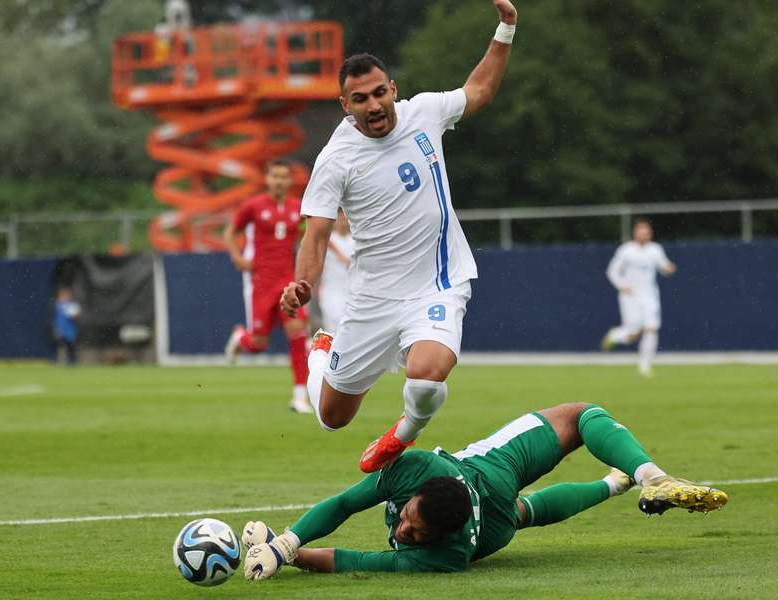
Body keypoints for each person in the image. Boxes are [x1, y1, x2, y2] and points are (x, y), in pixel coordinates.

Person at [281, 0, 520, 473]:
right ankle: (320, 355)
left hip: (438, 281)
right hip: (373, 299)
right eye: (361, 99)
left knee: (428, 378)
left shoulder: (425, 112)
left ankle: (400, 436)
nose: (374, 106)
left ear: (392, 88)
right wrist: (302, 284)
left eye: (378, 93)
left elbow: (480, 90)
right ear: (345, 105)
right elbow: (317, 232)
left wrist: (506, 28)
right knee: (332, 418)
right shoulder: (336, 158)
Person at [240, 402, 729, 578]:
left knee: (524, 507)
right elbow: (346, 503)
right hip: (489, 498)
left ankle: (623, 481)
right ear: (418, 490)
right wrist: (284, 544)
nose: (404, 529)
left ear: (440, 535)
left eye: (414, 529)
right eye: (408, 517)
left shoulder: (444, 556)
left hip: (488, 497)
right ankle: (641, 477)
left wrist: (289, 554)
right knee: (582, 419)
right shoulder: (415, 469)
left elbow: (350, 560)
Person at [224, 159, 312, 414]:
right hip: (260, 281)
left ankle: (299, 397)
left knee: (298, 335)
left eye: (284, 177)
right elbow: (230, 232)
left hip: (287, 280)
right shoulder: (253, 206)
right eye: (275, 176)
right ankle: (241, 337)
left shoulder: (298, 208)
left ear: (289, 181)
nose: (279, 181)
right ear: (267, 179)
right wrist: (238, 258)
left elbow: (305, 235)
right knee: (258, 343)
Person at [601, 219, 677, 377]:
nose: (644, 234)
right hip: (630, 296)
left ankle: (645, 366)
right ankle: (614, 335)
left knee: (651, 328)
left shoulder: (655, 250)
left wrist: (668, 268)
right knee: (632, 334)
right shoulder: (626, 250)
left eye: (647, 231)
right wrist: (622, 285)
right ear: (635, 233)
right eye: (641, 231)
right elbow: (612, 271)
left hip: (650, 295)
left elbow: (663, 267)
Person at [316, 209, 354, 333]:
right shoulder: (327, 239)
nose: (343, 222)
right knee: (333, 328)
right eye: (340, 219)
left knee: (349, 329)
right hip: (331, 291)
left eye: (345, 219)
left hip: (352, 293)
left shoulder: (355, 240)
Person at [53, 287, 81, 365]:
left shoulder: (73, 305)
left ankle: (72, 361)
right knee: (59, 346)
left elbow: (76, 316)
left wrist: (73, 315)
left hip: (70, 330)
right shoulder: (57, 305)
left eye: (65, 296)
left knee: (70, 346)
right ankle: (58, 361)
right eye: (62, 296)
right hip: (60, 329)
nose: (64, 298)